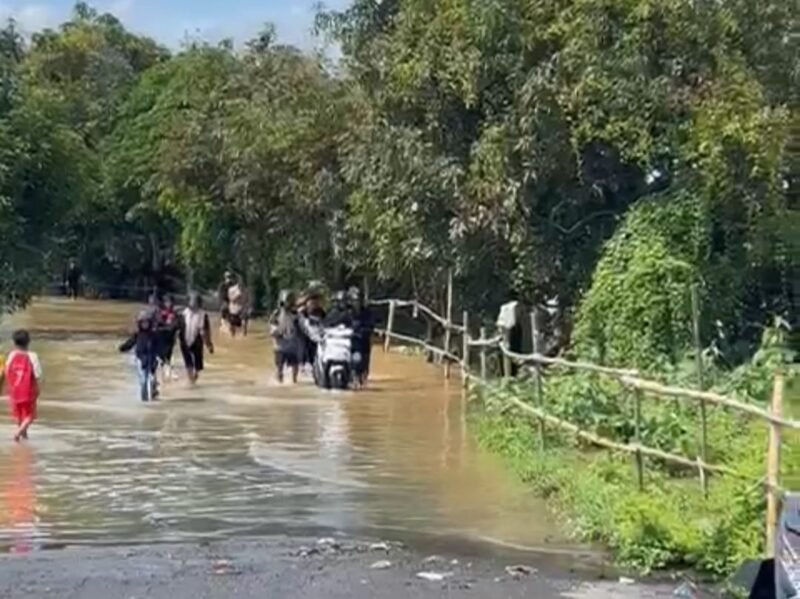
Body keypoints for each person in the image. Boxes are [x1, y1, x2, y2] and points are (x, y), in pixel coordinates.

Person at [1, 330, 43, 442]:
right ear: (28, 342)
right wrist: (38, 389)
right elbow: (37, 374)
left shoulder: (12, 355)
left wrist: (3, 387)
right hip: (28, 390)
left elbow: (6, 371)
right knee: (30, 415)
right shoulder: (32, 356)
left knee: (20, 415)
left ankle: (24, 436)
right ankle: (18, 434)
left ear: (14, 342)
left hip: (14, 390)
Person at [119, 311, 161, 402]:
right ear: (139, 323)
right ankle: (144, 401)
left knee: (152, 380)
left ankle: (154, 396)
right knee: (143, 382)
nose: (144, 324)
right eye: (142, 322)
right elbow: (130, 343)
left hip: (152, 359)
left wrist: (161, 357)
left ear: (150, 323)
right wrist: (123, 348)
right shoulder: (137, 335)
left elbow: (159, 347)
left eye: (146, 322)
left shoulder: (154, 335)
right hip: (140, 360)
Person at [179, 292, 214, 385]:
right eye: (191, 301)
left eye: (195, 301)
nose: (193, 303)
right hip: (184, 339)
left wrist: (209, 344)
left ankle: (195, 375)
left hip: (197, 339)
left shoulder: (203, 315)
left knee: (198, 362)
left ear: (199, 303)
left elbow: (206, 331)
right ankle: (191, 380)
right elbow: (177, 327)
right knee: (188, 361)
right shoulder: (183, 313)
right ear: (188, 302)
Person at [269, 290, 301, 384]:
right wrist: (276, 332)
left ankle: (294, 382)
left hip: (293, 346)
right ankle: (280, 382)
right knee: (280, 368)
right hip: (280, 346)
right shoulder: (277, 313)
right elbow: (272, 327)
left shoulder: (296, 314)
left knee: (295, 366)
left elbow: (301, 326)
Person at [348, 286, 375, 386]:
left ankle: (363, 381)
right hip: (351, 341)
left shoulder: (367, 312)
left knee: (364, 364)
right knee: (355, 362)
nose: (356, 302)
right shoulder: (347, 312)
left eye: (358, 300)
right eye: (354, 300)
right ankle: (353, 377)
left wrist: (365, 330)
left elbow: (371, 325)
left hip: (364, 341)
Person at [297, 285, 327, 371]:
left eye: (316, 301)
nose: (315, 303)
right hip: (305, 334)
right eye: (312, 302)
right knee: (304, 344)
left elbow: (326, 321)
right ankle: (303, 363)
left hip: (317, 333)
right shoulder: (302, 312)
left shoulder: (321, 311)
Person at [157, 294, 180, 381]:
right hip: (161, 337)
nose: (169, 304)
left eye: (170, 302)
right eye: (167, 302)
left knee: (167, 356)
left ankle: (167, 374)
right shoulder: (160, 313)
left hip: (170, 338)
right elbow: (157, 324)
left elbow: (177, 326)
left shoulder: (175, 314)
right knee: (162, 356)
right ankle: (166, 374)